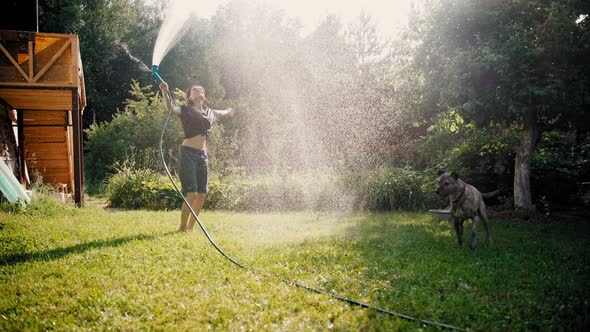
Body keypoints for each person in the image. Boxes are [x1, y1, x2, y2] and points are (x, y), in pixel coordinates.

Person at [159, 82, 235, 231]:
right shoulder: (185, 110)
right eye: (195, 89)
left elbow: (220, 112)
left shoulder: (209, 112)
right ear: (190, 96)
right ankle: (182, 227)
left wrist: (228, 110)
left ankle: (190, 228)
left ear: (204, 96)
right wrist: (165, 92)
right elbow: (169, 109)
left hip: (202, 155)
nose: (198, 90)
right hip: (188, 153)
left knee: (201, 194)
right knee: (192, 193)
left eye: (201, 89)